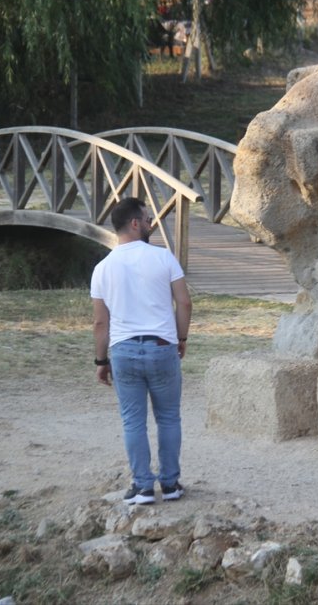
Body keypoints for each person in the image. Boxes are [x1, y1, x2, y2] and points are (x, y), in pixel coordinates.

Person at [91, 197, 193, 505]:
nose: (151, 224)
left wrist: (101, 360)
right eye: (148, 219)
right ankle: (171, 484)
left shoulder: (102, 268)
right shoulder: (163, 258)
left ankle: (143, 486)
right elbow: (185, 303)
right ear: (135, 223)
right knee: (169, 417)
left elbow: (99, 322)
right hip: (162, 347)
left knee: (133, 420)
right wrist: (181, 338)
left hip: (123, 351)